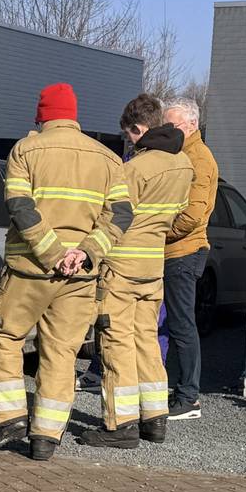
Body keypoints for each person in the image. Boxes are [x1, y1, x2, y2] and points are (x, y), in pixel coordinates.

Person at [0, 83, 132, 461]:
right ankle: (45, 437)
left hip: (30, 271)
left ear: (41, 116)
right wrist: (86, 253)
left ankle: (8, 419)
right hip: (79, 277)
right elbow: (121, 215)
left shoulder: (26, 150)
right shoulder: (109, 159)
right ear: (74, 116)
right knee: (62, 351)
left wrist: (53, 253)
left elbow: (19, 205)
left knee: (3, 335)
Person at [80, 94, 194, 448]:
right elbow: (177, 215)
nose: (128, 140)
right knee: (147, 340)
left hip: (122, 267)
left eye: (129, 134)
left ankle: (121, 425)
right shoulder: (184, 165)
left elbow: (115, 215)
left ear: (138, 127)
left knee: (116, 342)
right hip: (153, 267)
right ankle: (154, 419)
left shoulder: (133, 168)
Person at [161, 97, 218, 420]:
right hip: (174, 250)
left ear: (192, 125)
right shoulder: (181, 154)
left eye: (173, 125)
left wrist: (157, 231)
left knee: (182, 323)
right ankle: (178, 390)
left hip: (183, 251)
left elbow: (193, 214)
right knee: (174, 323)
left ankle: (188, 396)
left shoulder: (199, 159)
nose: (167, 131)